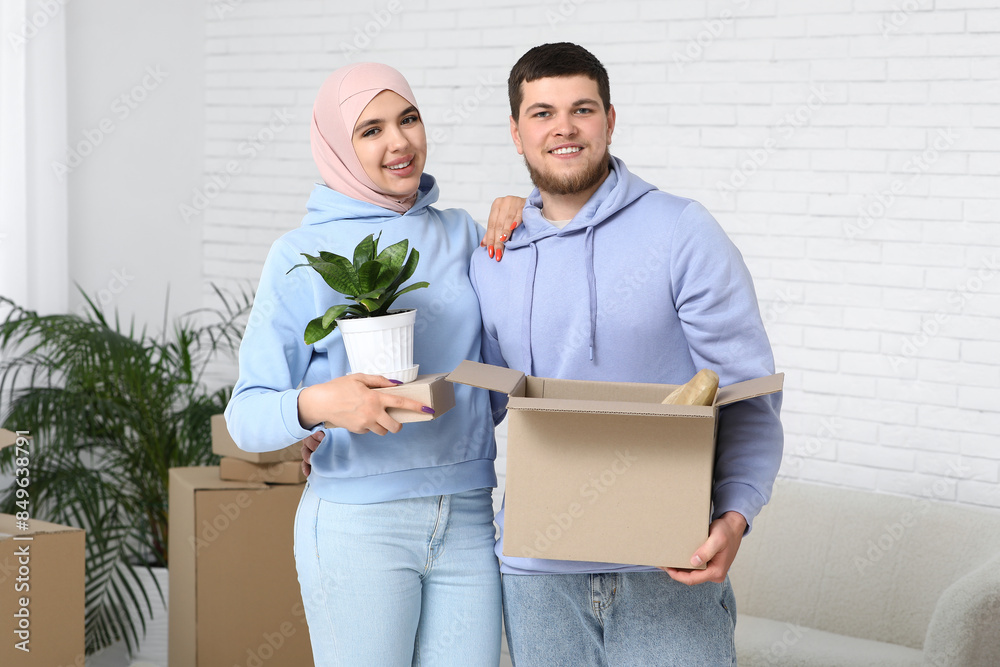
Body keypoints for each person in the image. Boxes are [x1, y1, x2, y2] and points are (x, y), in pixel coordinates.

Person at [470, 43, 784, 666]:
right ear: (515, 131)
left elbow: (745, 390)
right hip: (537, 579)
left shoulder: (681, 230)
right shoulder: (495, 255)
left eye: (582, 109)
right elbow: (478, 406)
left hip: (667, 565)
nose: (563, 127)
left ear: (610, 120)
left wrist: (735, 516)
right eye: (542, 113)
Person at [225, 62, 521, 667]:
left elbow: (498, 385)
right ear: (338, 146)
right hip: (358, 526)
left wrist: (529, 215)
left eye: (408, 119)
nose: (399, 142)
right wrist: (321, 404)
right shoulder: (299, 256)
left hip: (469, 514)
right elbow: (246, 417)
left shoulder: (464, 234)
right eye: (371, 130)